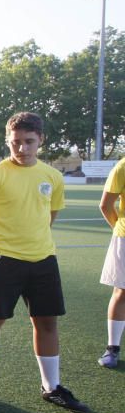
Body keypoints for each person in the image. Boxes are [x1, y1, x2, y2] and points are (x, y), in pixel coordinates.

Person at [0, 112, 89, 413]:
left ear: (40, 140)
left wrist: (32, 240)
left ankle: (51, 387)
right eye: (15, 142)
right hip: (2, 259)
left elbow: (49, 217)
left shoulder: (52, 177)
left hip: (44, 259)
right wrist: (5, 242)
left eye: (29, 142)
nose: (22, 149)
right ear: (8, 141)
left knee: (46, 322)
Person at [98, 156, 125, 368]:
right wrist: (118, 228)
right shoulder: (123, 166)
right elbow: (106, 205)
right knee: (122, 292)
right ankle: (112, 348)